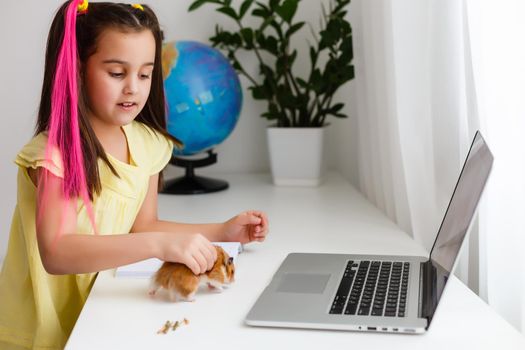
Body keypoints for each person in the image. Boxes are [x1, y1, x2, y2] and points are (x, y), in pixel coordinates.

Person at [0, 1, 269, 349]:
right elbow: (57, 252)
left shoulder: (147, 144)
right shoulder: (55, 154)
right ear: (78, 69)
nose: (133, 88)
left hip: (103, 311)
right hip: (43, 328)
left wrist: (221, 230)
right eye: (116, 73)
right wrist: (158, 246)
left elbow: (144, 226)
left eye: (144, 74)